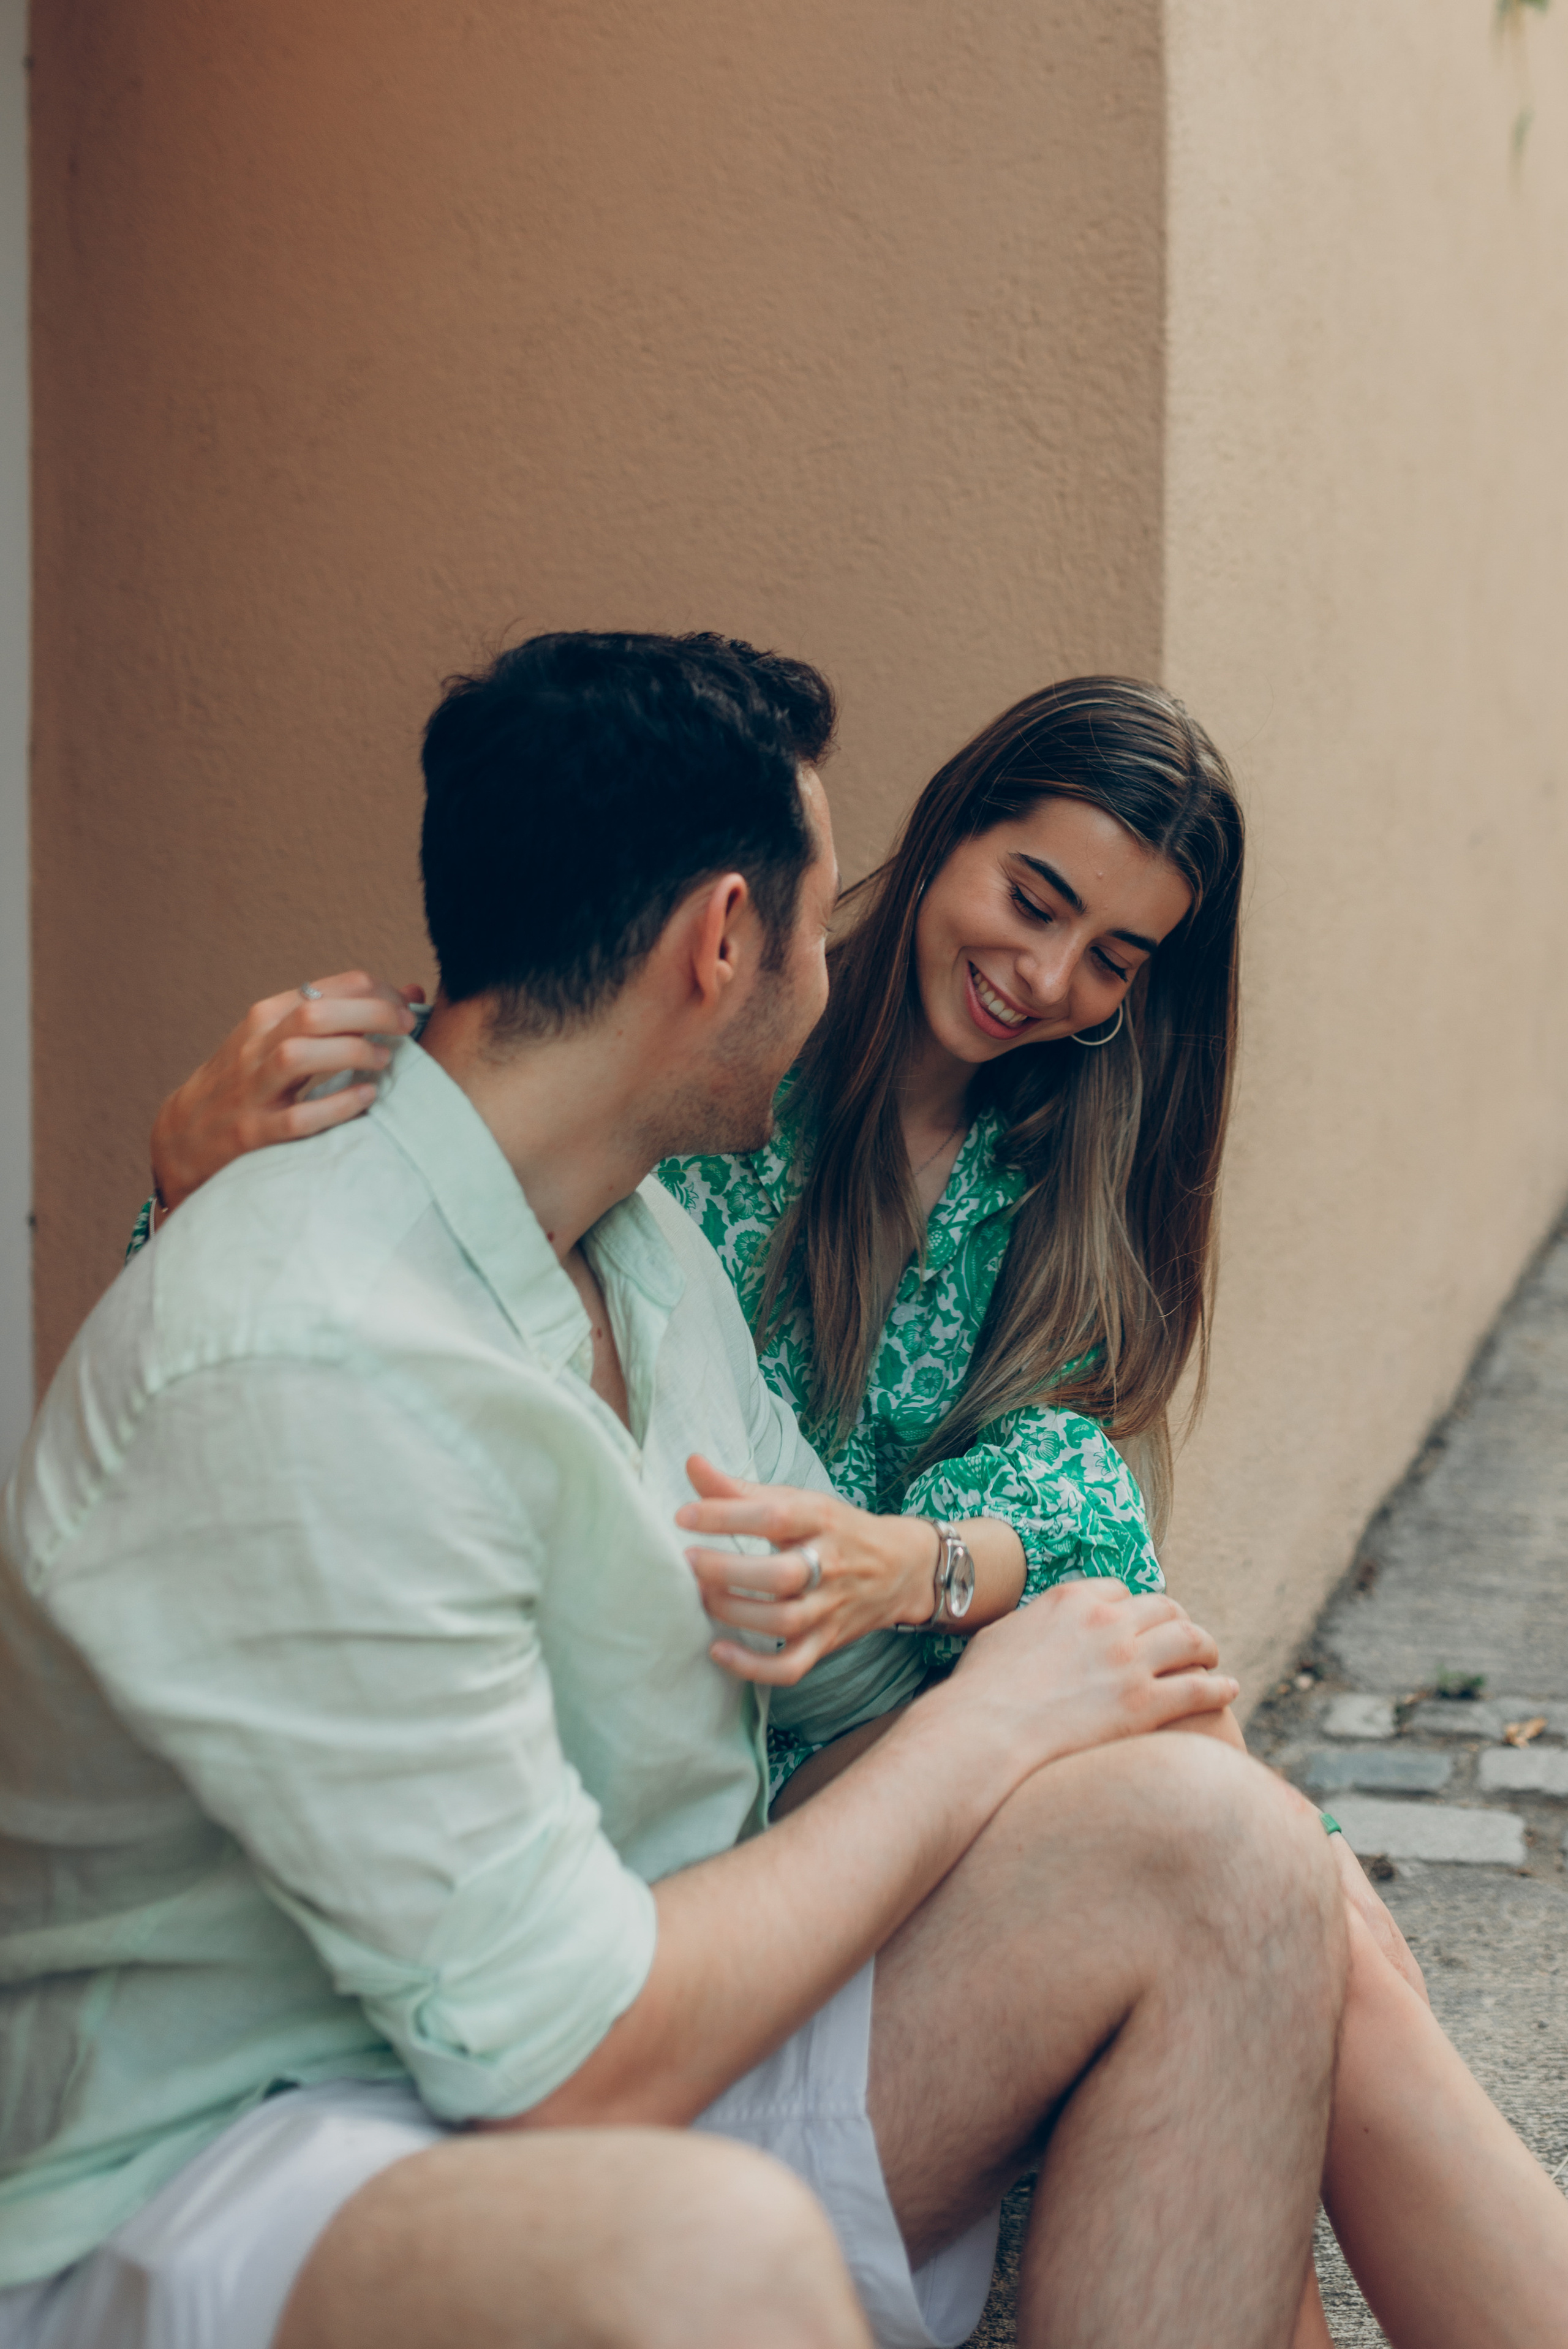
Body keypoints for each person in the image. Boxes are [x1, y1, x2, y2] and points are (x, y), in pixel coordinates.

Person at [146, 655, 1568, 2349]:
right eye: (1033, 898)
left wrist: (921, 1562)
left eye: (1117, 956)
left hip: (898, 1713)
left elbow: (1087, 1504)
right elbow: (295, 1350)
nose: (1050, 978)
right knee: (1284, 1906)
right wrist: (189, 1183)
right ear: (945, 833)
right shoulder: (706, 1102)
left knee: (1304, 1913)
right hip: (754, 1781)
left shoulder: (1072, 1152)